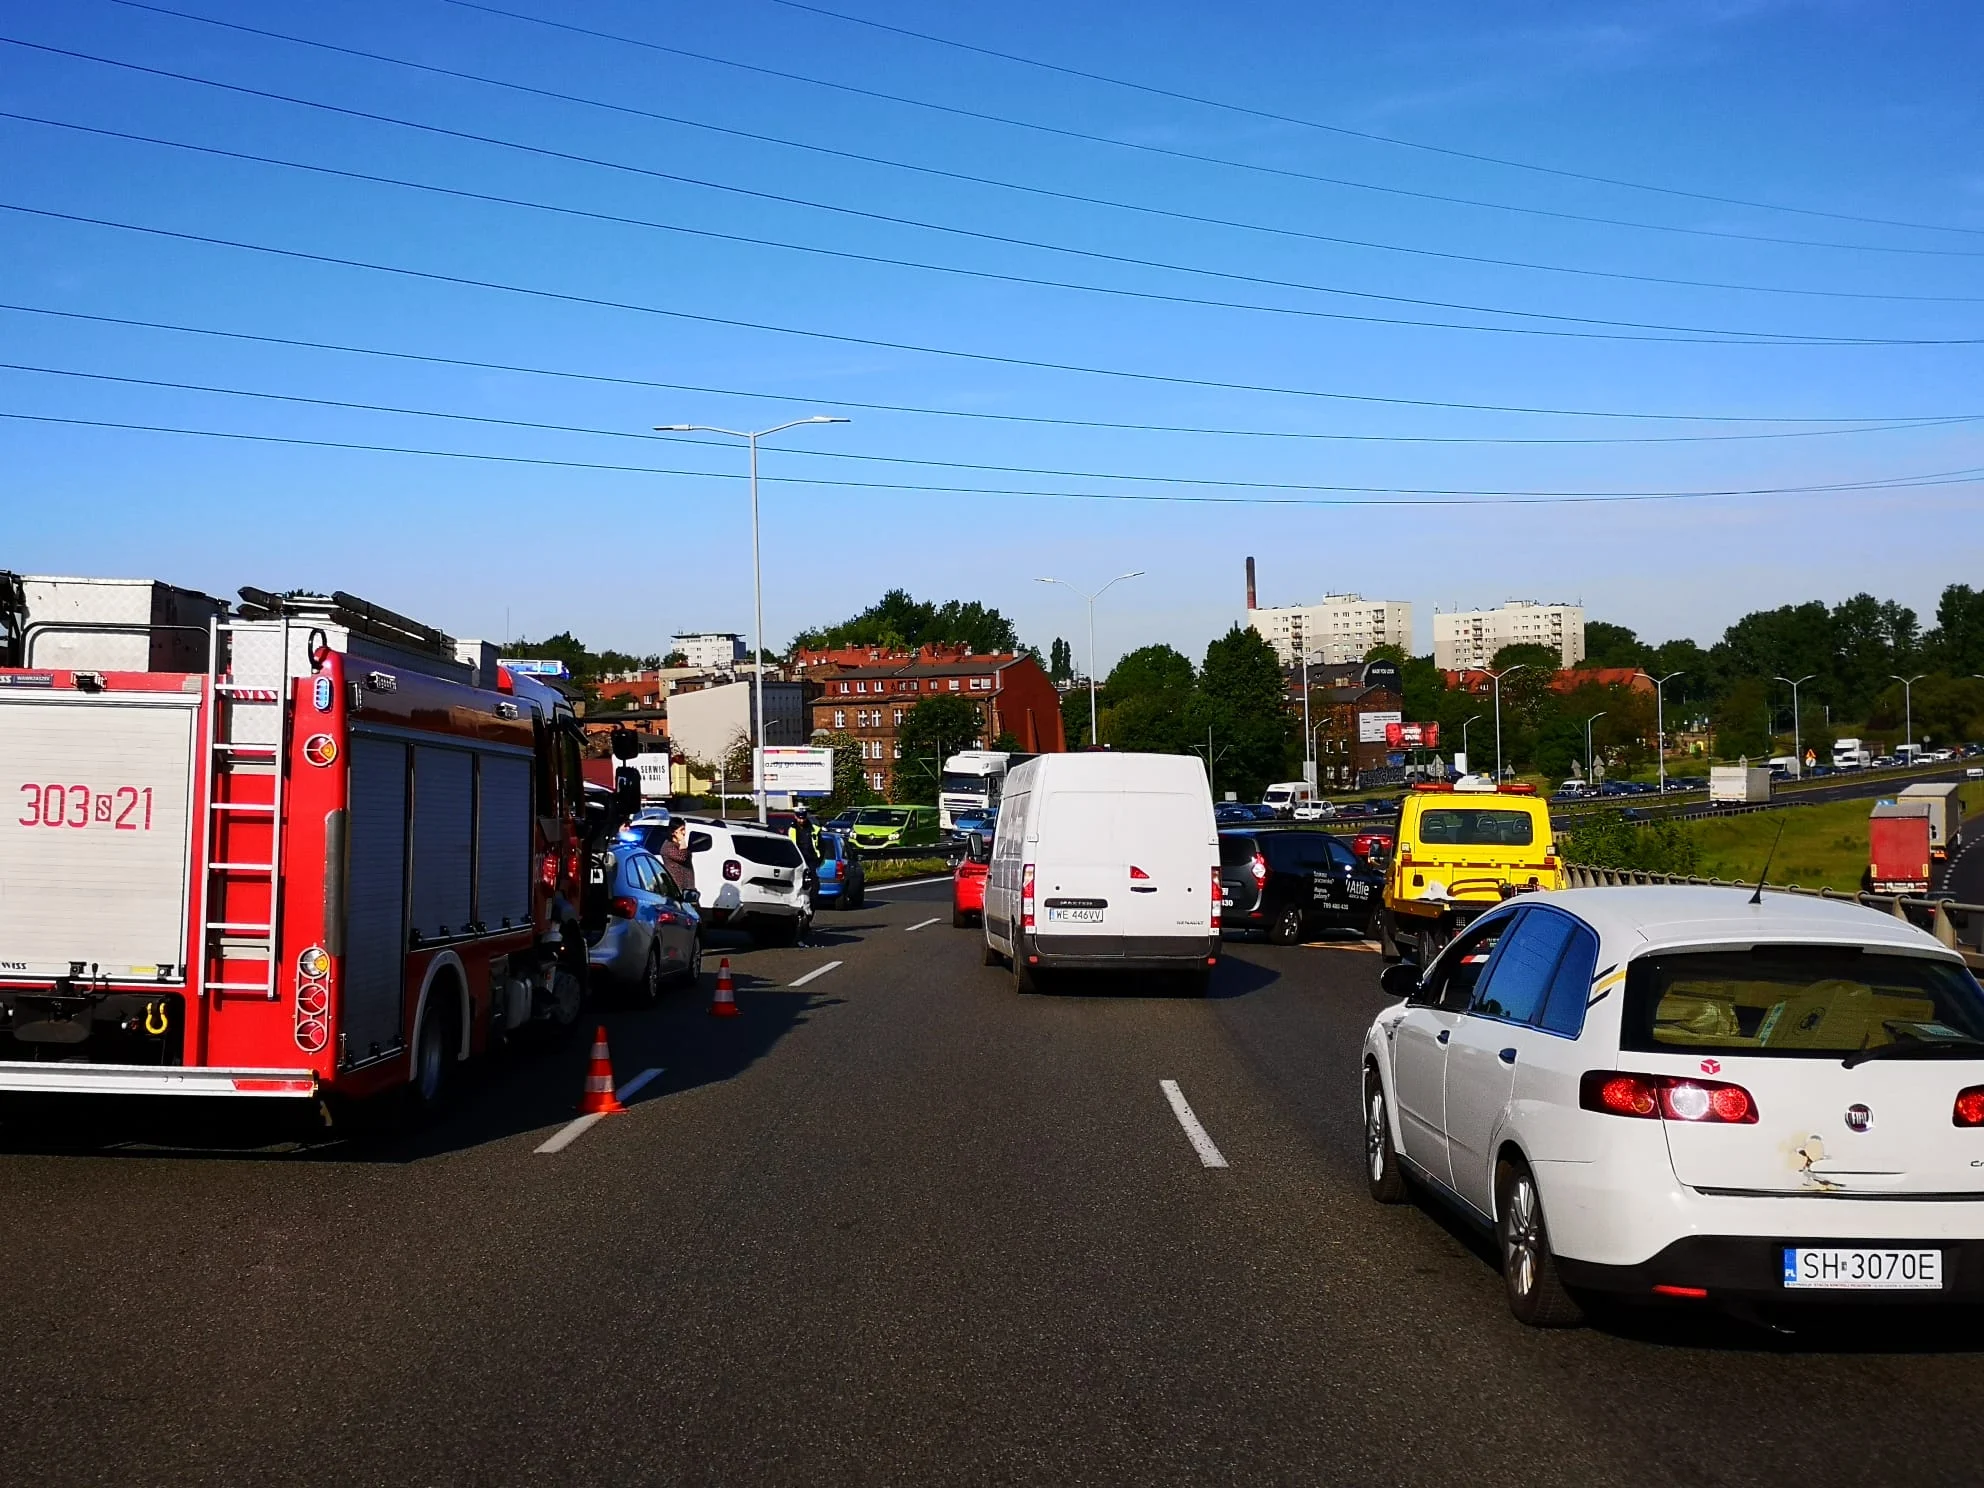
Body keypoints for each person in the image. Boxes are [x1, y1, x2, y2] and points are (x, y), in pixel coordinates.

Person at [660, 818, 696, 900]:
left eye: (684, 829)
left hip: (687, 888)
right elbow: (682, 857)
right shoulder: (668, 847)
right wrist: (683, 841)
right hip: (677, 889)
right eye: (681, 830)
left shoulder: (678, 846)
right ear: (673, 832)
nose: (684, 832)